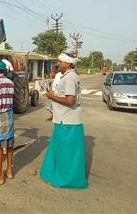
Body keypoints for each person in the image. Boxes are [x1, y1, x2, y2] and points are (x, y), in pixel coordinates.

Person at [41, 53, 88, 189]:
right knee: (62, 151)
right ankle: (58, 176)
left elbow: (70, 100)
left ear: (67, 64)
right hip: (64, 119)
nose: (57, 64)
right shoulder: (68, 76)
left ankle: (64, 180)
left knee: (66, 153)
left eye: (60, 62)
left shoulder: (70, 78)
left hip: (67, 121)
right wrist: (54, 95)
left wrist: (52, 97)